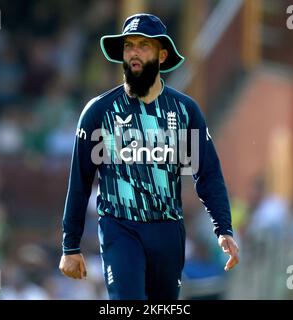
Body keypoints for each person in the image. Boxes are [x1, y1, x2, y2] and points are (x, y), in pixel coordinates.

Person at [59, 13, 239, 300]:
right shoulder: (99, 112)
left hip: (167, 230)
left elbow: (207, 173)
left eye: (144, 46)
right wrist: (71, 245)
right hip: (119, 226)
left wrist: (223, 228)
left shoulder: (185, 111)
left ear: (162, 55)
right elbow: (80, 181)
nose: (134, 53)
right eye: (129, 46)